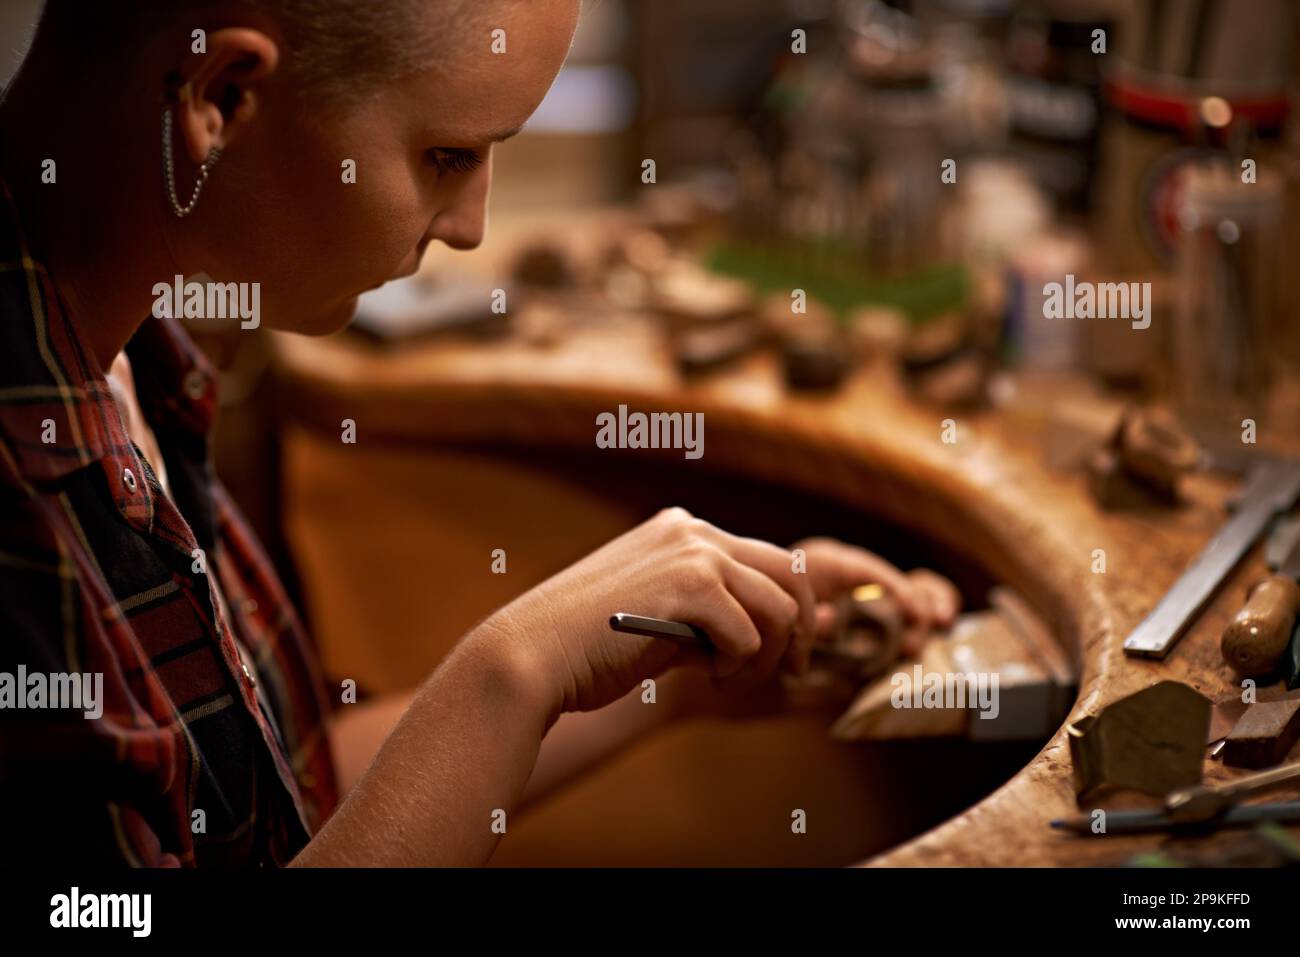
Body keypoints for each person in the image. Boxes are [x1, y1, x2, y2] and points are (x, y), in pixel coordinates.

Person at [0, 0, 959, 867]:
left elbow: (275, 801)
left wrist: (664, 669)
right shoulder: (19, 491)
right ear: (221, 95)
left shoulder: (133, 359)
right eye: (446, 157)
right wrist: (513, 667)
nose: (470, 227)